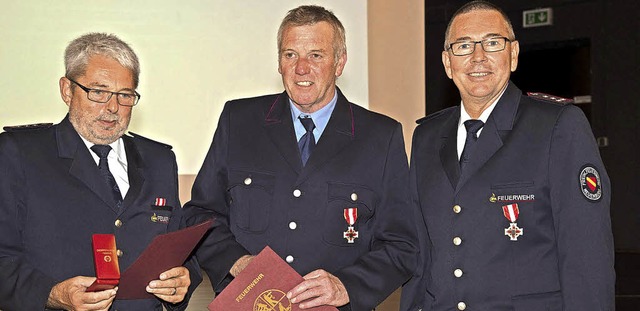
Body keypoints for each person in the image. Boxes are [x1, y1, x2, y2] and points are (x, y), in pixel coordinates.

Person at [183, 5, 417, 311]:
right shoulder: (239, 121)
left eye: (316, 55)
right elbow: (201, 213)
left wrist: (347, 285)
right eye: (290, 54)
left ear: (340, 62)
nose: (301, 68)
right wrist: (237, 263)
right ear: (279, 62)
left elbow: (402, 243)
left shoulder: (380, 136)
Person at [400, 1, 614, 310]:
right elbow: (422, 255)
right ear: (448, 63)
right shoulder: (427, 137)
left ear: (513, 54)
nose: (477, 57)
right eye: (463, 45)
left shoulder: (557, 126)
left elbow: (587, 256)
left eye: (491, 43)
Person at [0, 33, 201, 310]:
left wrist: (183, 279)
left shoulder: (159, 160)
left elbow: (179, 249)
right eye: (98, 92)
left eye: (125, 95)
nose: (112, 108)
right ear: (67, 90)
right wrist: (53, 294)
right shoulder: (19, 154)